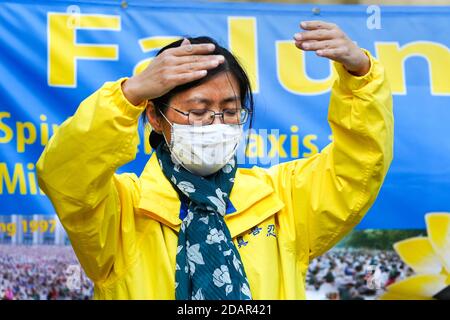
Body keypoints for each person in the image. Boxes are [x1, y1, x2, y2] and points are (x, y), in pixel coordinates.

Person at [37, 20, 393, 300]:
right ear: (156, 118)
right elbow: (64, 174)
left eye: (229, 110)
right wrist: (128, 94)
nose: (215, 124)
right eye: (198, 110)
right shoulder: (122, 210)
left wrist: (360, 78)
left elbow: (358, 166)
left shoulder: (280, 200)